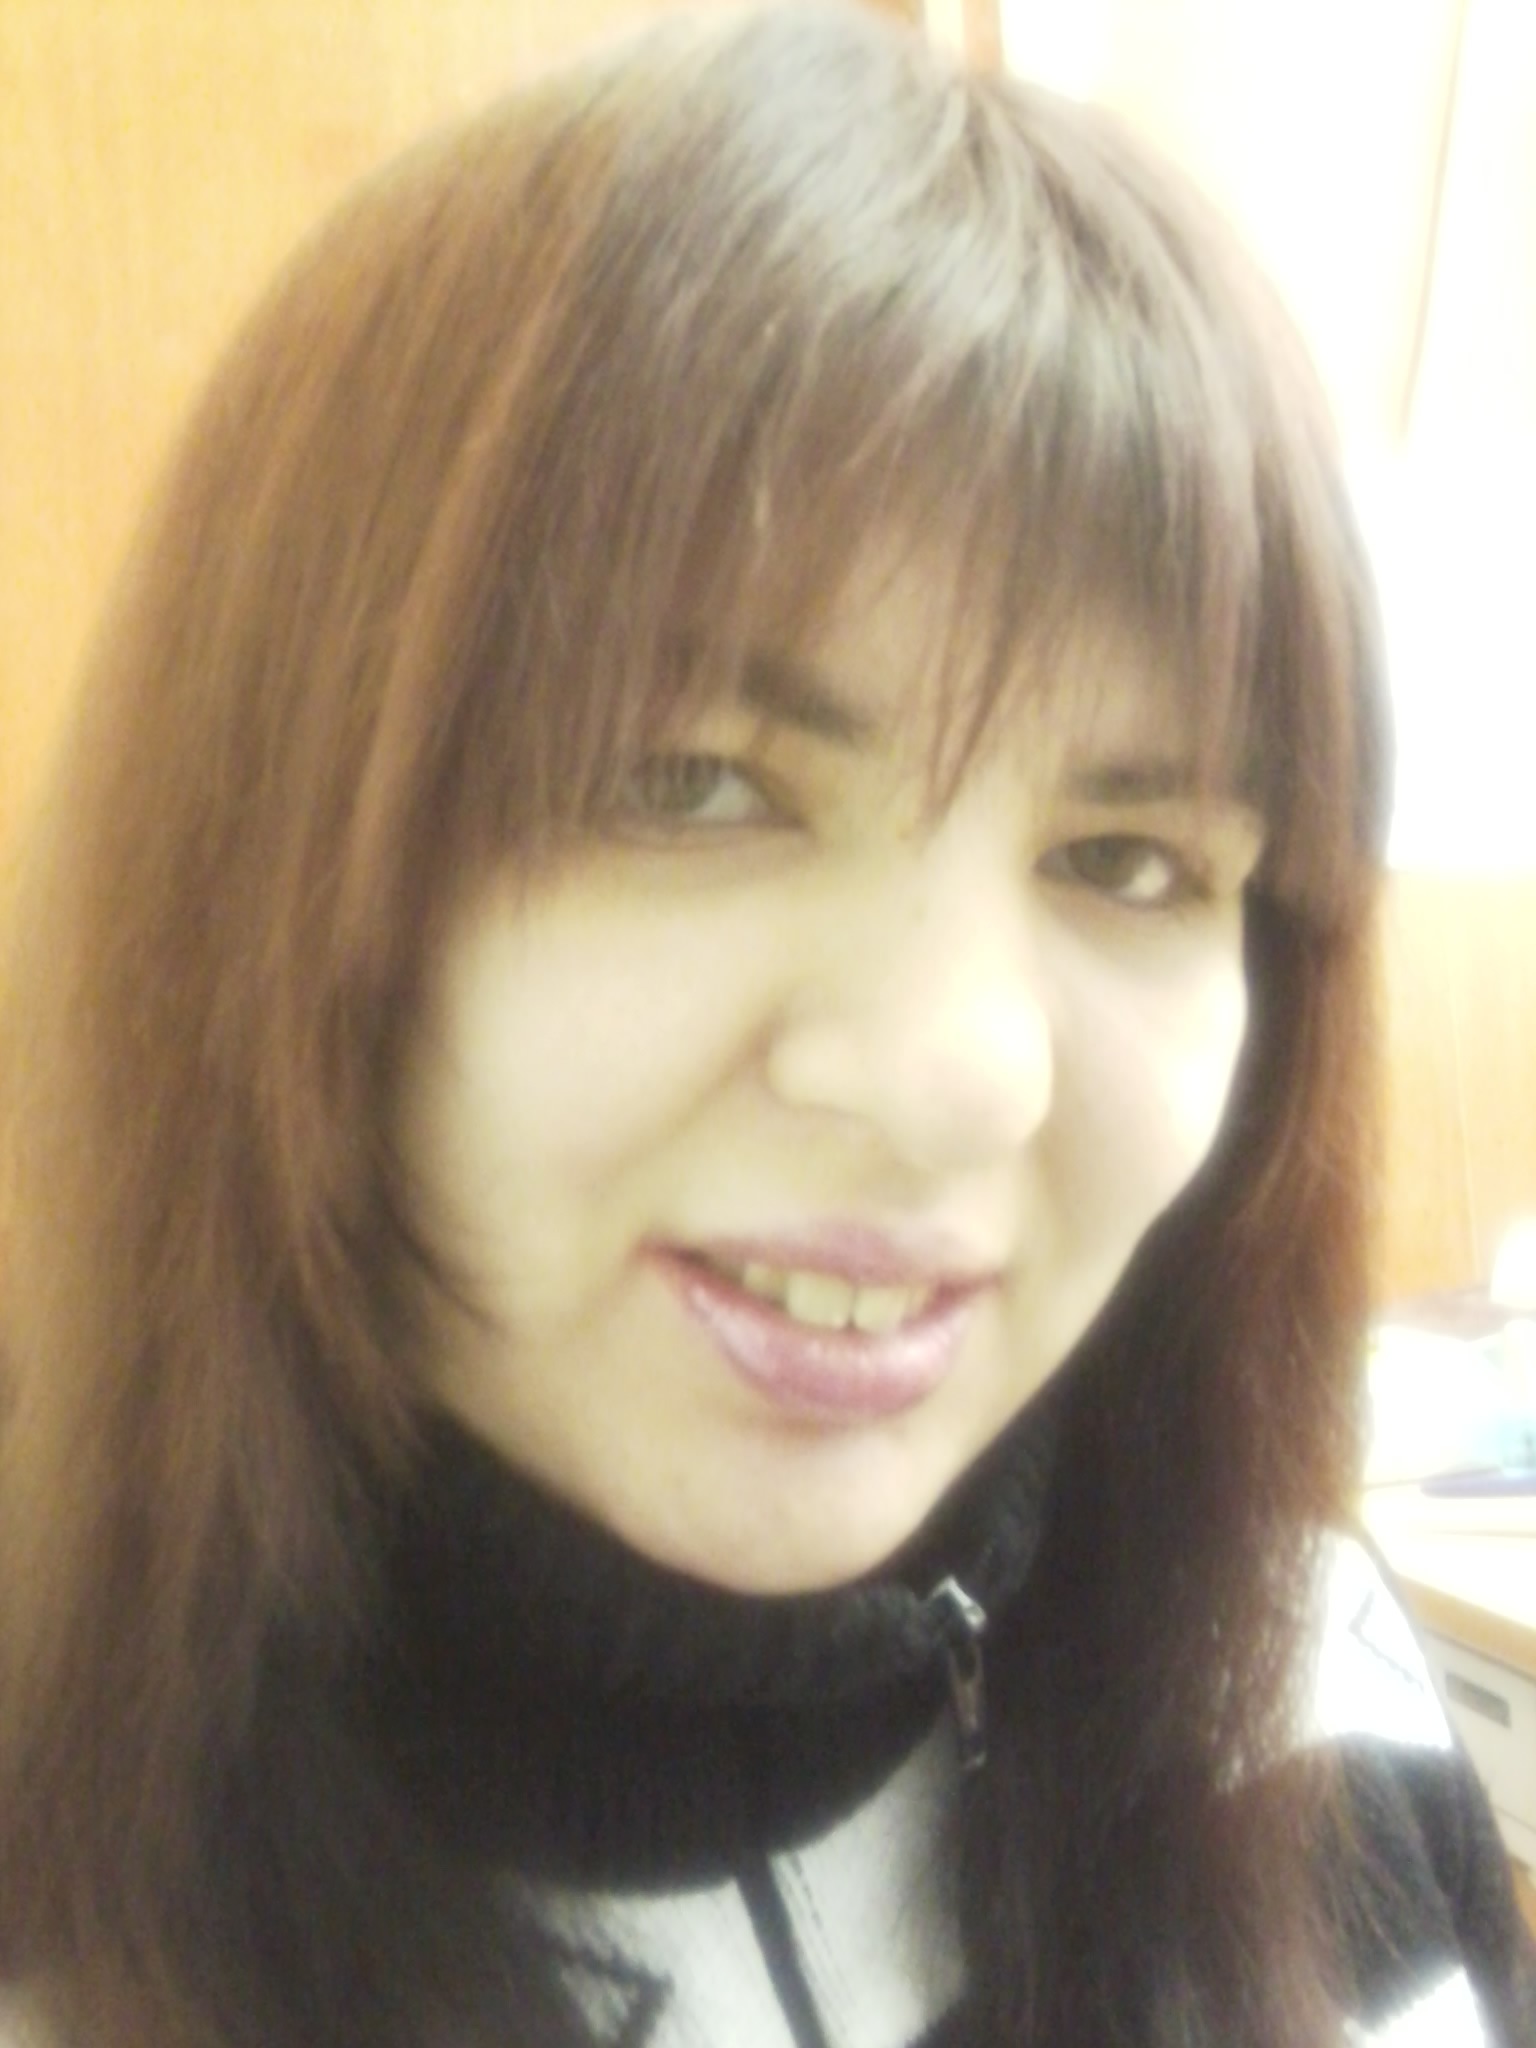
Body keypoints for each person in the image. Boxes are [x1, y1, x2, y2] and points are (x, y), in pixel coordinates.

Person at [0, 6, 1530, 2045]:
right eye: (695, 785)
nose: (959, 1077)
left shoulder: (1300, 1689)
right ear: (265, 861)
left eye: (1131, 857)